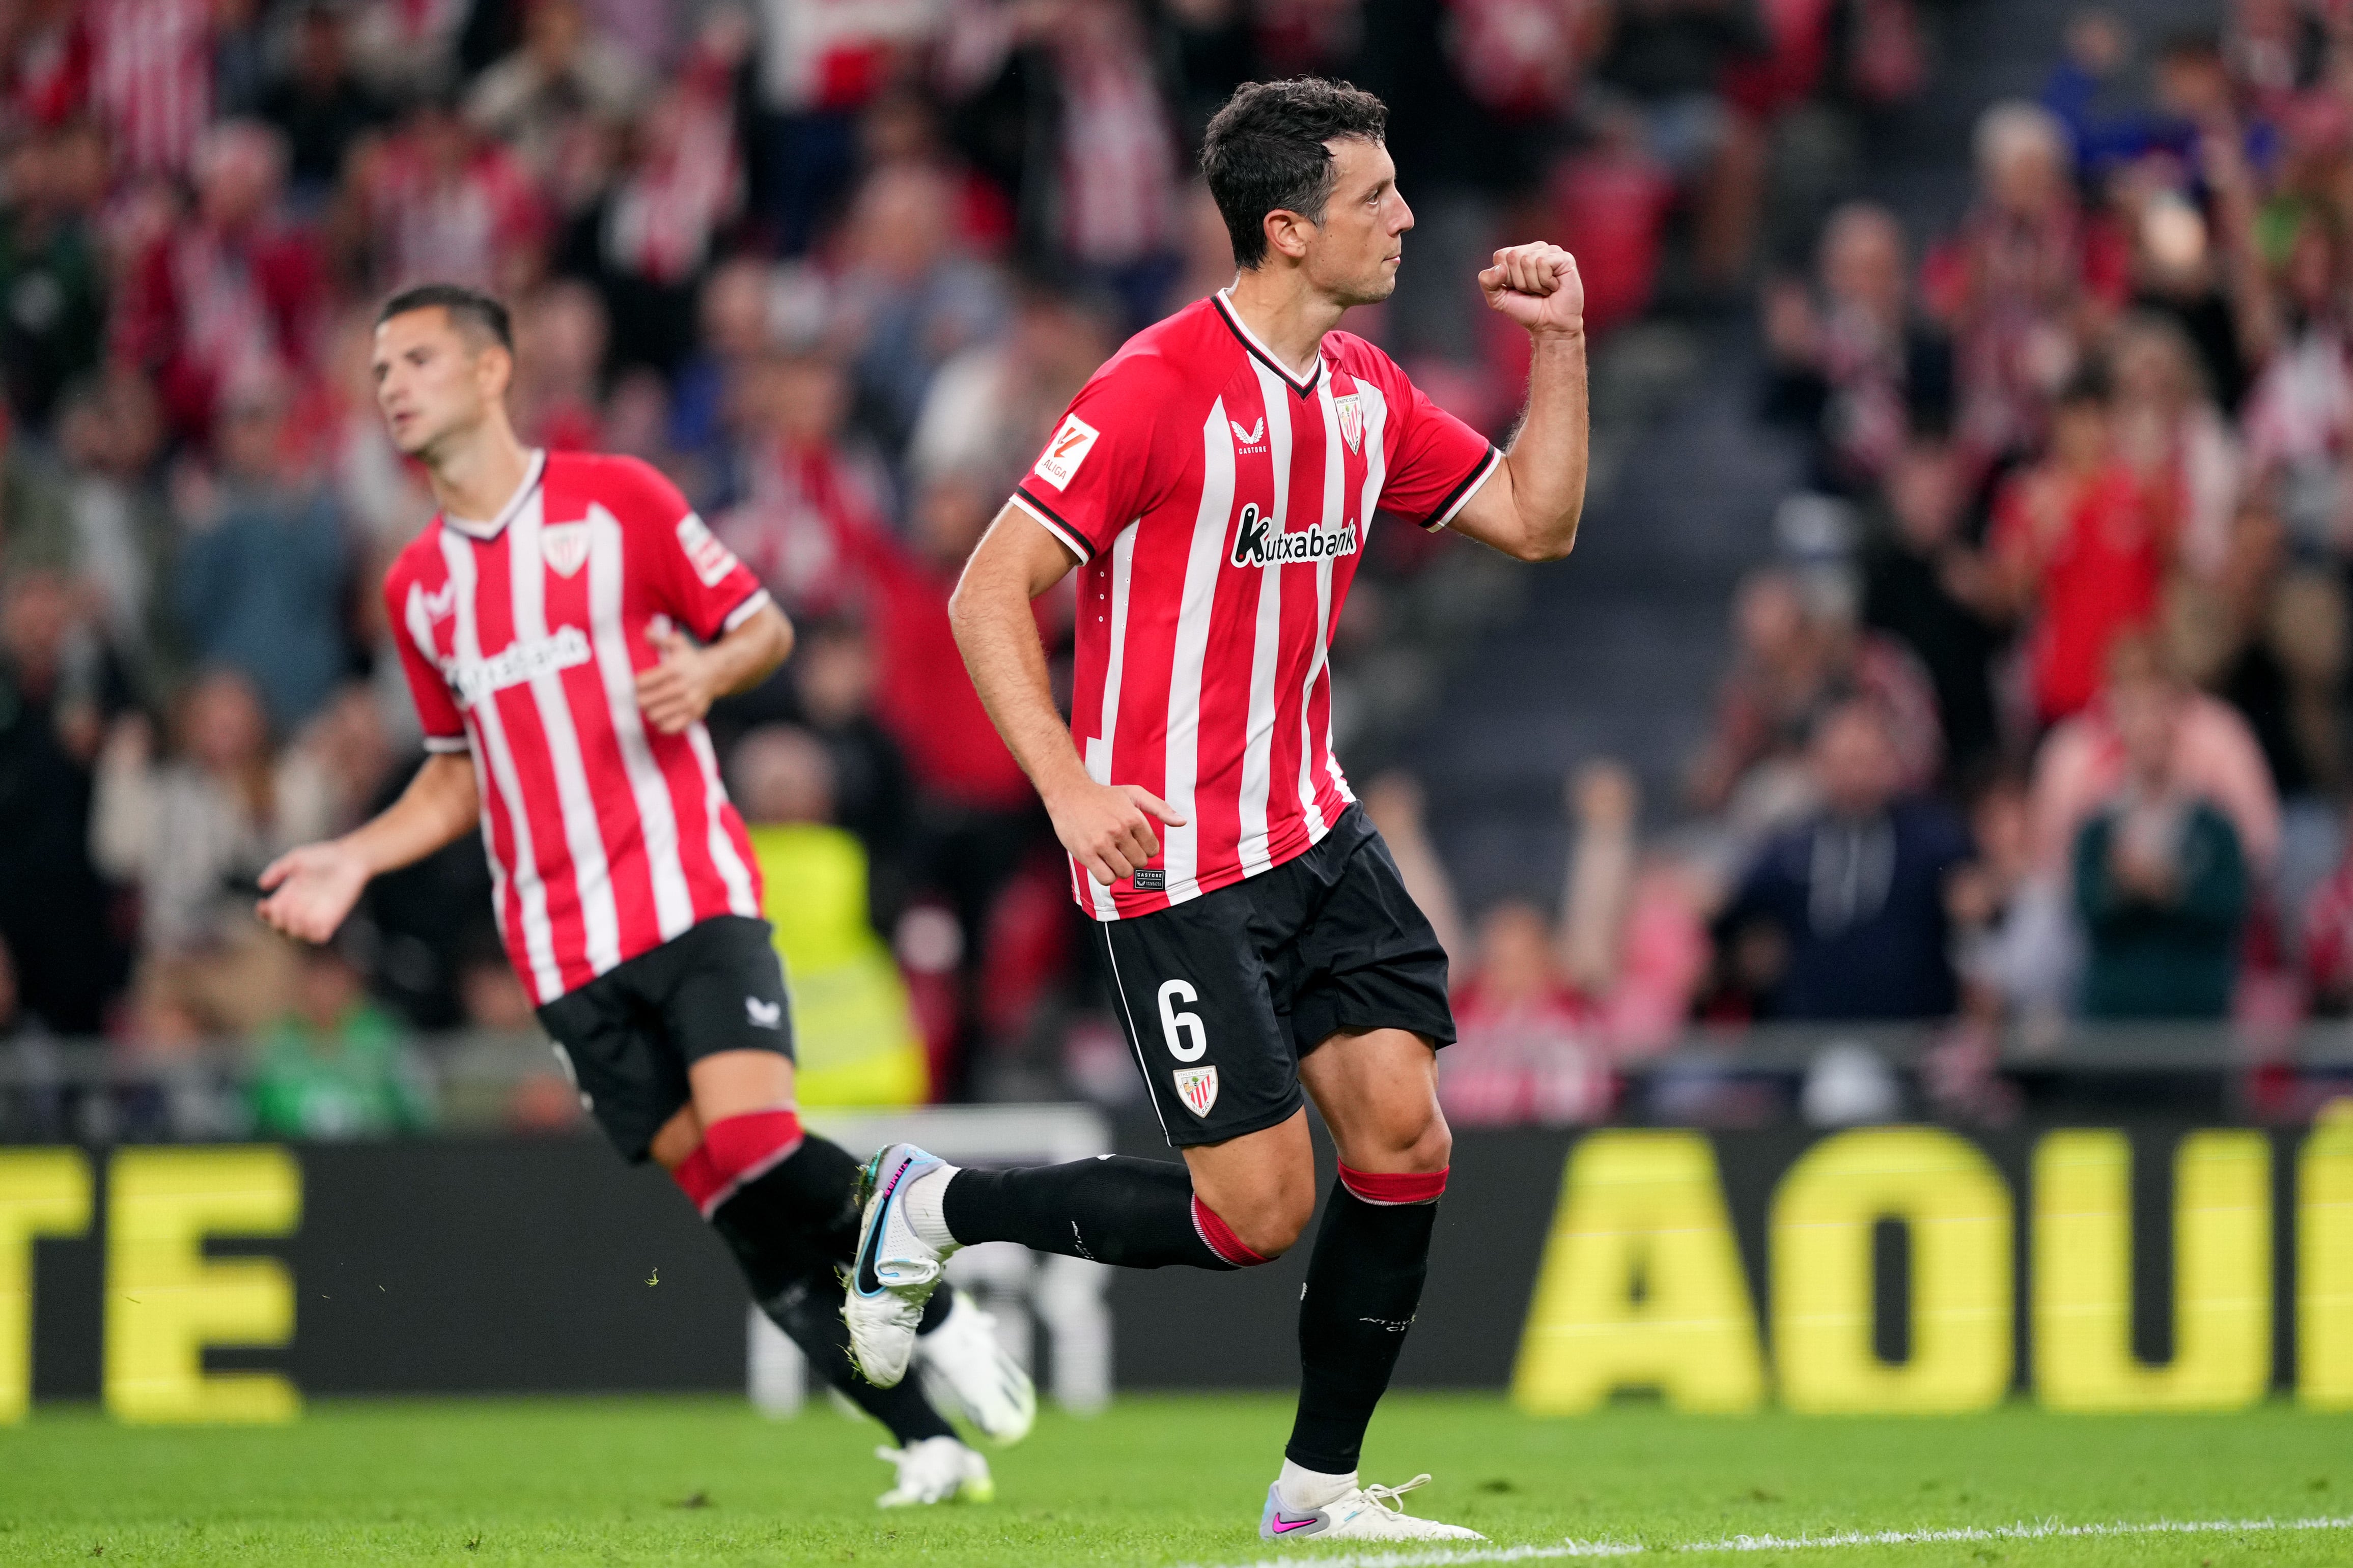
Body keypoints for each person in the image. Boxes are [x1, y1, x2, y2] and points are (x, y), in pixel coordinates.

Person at [841, 79, 1588, 1543]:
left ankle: (1314, 1497)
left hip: (1310, 830)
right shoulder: (1153, 389)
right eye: (1375, 199)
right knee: (1254, 1215)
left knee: (1404, 1137)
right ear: (1288, 228)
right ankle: (928, 1207)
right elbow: (987, 588)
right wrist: (1064, 785)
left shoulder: (1365, 395)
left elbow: (1537, 522)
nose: (1406, 218)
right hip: (1170, 861)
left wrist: (1558, 347)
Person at [251, 283, 1029, 1507]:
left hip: (685, 893)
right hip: (559, 950)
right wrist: (356, 854)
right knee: (739, 1207)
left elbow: (762, 626)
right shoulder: (419, 589)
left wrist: (710, 668)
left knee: (759, 1142)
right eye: (379, 365)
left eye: (417, 357)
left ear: (495, 368)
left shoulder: (617, 501)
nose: (391, 382)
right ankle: (926, 1437)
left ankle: (940, 1312)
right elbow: (458, 779)